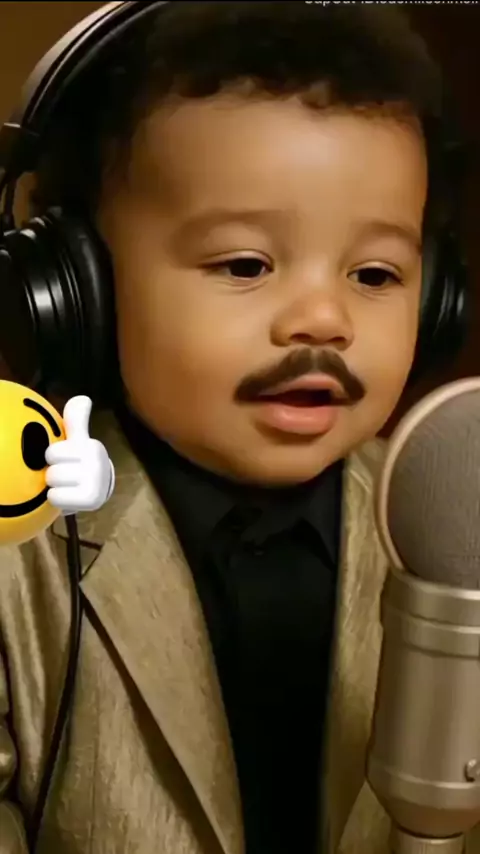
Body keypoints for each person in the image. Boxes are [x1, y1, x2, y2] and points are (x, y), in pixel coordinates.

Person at [0, 2, 473, 852]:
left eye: (375, 274)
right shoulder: (15, 544)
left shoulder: (451, 524)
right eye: (246, 264)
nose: (324, 319)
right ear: (75, 289)